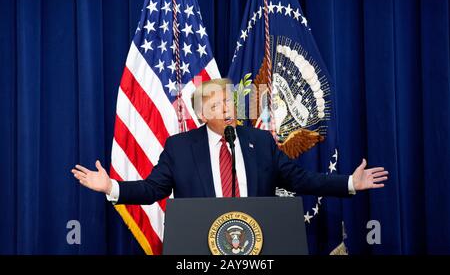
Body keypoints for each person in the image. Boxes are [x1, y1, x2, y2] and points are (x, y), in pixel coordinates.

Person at [72, 78, 388, 204]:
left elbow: (300, 180)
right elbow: (152, 190)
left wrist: (348, 182)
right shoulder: (179, 148)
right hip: (200, 251)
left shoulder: (260, 142)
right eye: (218, 105)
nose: (227, 108)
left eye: (230, 102)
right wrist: (111, 187)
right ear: (201, 115)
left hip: (258, 246)